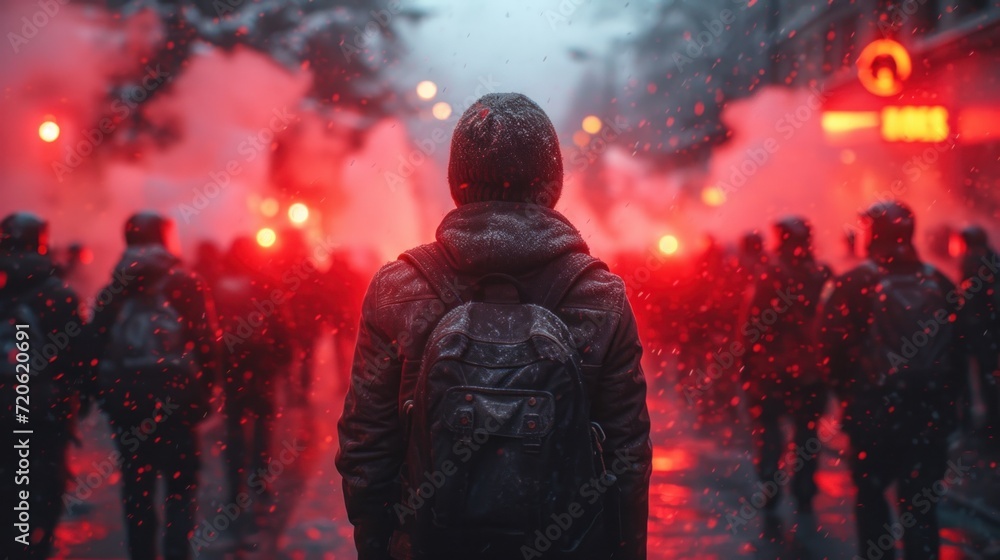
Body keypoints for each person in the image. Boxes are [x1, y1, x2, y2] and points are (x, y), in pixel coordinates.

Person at [336, 93, 651, 560]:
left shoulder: (397, 287)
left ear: (456, 183)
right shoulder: (600, 296)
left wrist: (381, 544)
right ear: (553, 184)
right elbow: (627, 459)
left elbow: (367, 449)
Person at [820, 201, 963, 560]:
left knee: (871, 499)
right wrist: (948, 407)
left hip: (873, 414)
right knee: (921, 506)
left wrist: (847, 395)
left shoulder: (854, 284)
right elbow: (963, 354)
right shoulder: (939, 282)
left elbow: (830, 348)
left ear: (875, 235)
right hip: (927, 413)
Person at [89, 211, 220, 560]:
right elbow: (206, 344)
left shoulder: (113, 288)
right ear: (165, 238)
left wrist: (102, 397)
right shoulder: (185, 283)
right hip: (176, 400)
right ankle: (177, 551)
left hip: (129, 405)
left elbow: (92, 347)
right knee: (180, 488)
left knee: (137, 490)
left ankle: (141, 553)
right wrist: (205, 391)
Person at [0, 213, 85, 559]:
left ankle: (10, 538)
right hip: (46, 405)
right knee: (46, 475)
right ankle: (38, 540)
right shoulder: (58, 292)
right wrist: (81, 395)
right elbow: (78, 353)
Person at [743, 217, 832, 514]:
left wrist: (746, 361)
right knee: (806, 431)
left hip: (774, 369)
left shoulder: (771, 274)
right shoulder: (822, 273)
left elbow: (754, 322)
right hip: (811, 369)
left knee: (770, 430)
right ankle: (804, 488)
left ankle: (771, 484)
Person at [213, 237, 293, 542]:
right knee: (263, 424)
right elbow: (282, 325)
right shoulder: (265, 284)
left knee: (234, 425)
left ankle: (235, 489)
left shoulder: (219, 285)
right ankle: (259, 480)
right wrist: (284, 357)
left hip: (233, 365)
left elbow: (212, 326)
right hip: (260, 366)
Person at [956, 225, 999, 440]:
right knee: (988, 377)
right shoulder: (991, 259)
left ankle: (983, 425)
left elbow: (969, 300)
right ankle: (990, 422)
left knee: (980, 377)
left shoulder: (974, 261)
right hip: (988, 331)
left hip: (981, 331)